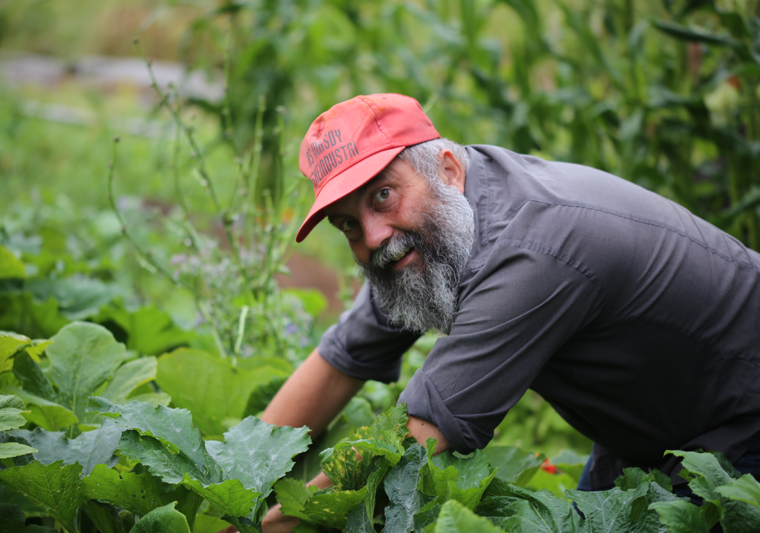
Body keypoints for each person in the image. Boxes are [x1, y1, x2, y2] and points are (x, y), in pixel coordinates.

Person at [228, 93, 760, 532]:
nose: (371, 236)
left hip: (742, 415)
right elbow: (341, 360)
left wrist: (270, 528)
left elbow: (421, 437)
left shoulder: (535, 250)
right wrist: (235, 487)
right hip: (651, 427)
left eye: (383, 195)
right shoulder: (431, 232)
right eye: (346, 224)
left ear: (447, 168)